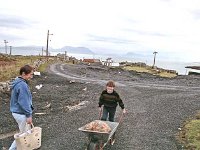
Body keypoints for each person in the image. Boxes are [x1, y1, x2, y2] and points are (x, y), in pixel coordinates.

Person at [9, 65, 34, 150]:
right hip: (20, 113)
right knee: (23, 134)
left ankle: (26, 147)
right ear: (23, 73)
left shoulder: (17, 82)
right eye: (30, 74)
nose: (31, 76)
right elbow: (24, 102)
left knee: (26, 132)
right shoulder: (22, 85)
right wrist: (28, 115)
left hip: (16, 112)